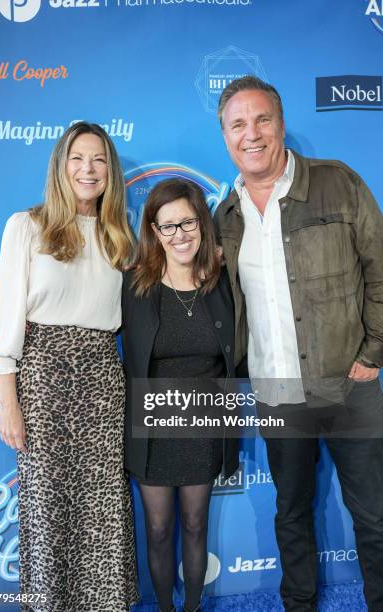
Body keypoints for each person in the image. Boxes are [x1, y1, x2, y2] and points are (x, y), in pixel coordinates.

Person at [214, 75, 383, 611]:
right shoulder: (226, 216)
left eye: (262, 119)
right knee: (290, 515)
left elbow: (380, 270)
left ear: (282, 124)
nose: (252, 134)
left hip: (349, 384)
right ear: (225, 136)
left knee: (374, 514)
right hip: (277, 390)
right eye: (238, 124)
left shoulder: (338, 182)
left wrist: (372, 354)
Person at [0, 122, 139, 611]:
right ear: (61, 165)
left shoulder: (120, 237)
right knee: (47, 509)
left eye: (98, 160)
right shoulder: (25, 226)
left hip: (102, 380)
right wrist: (9, 402)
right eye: (78, 158)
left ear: (109, 171)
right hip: (42, 380)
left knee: (103, 510)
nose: (88, 169)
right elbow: (7, 322)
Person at [121, 178, 239, 612]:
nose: (179, 235)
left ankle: (191, 606)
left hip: (204, 425)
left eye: (188, 222)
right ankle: (165, 609)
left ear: (202, 224)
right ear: (154, 232)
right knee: (157, 528)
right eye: (167, 226)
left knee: (194, 524)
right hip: (151, 428)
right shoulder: (134, 286)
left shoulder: (222, 282)